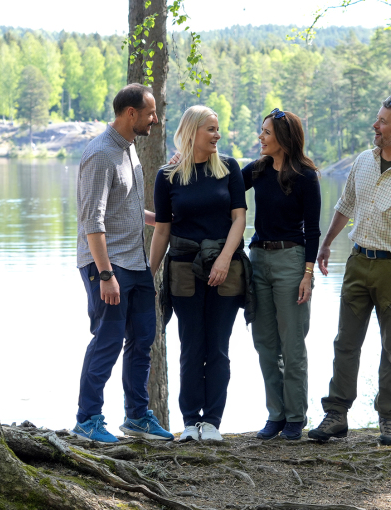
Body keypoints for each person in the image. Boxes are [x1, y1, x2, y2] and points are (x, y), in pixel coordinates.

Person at [308, 96, 391, 445]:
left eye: (382, 122)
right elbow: (344, 205)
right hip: (357, 263)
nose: (375, 126)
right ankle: (336, 415)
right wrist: (326, 244)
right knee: (345, 343)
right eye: (377, 119)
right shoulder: (363, 162)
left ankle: (388, 420)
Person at [73, 83, 173, 443]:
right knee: (108, 340)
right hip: (108, 267)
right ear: (131, 113)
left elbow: (123, 208)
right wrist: (105, 275)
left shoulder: (128, 150)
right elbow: (93, 222)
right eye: (150, 113)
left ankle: (136, 417)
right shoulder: (101, 154)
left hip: (136, 264)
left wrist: (159, 218)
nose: (155, 119)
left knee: (143, 339)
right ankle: (87, 419)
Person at [150, 105, 249, 442]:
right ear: (192, 131)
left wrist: (223, 259)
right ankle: (191, 422)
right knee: (191, 347)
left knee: (218, 348)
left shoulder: (230, 169)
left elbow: (239, 219)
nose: (217, 135)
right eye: (210, 128)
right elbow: (162, 230)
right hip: (182, 270)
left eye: (217, 128)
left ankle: (213, 423)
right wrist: (150, 273)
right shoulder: (168, 176)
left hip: (227, 269)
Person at [241, 109, 321, 441]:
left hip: (292, 262)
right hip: (258, 260)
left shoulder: (305, 175)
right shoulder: (257, 170)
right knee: (264, 343)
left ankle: (295, 417)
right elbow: (221, 185)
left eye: (266, 133)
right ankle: (275, 415)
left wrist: (307, 274)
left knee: (292, 345)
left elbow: (314, 230)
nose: (260, 137)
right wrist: (183, 159)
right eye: (261, 132)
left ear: (283, 139)